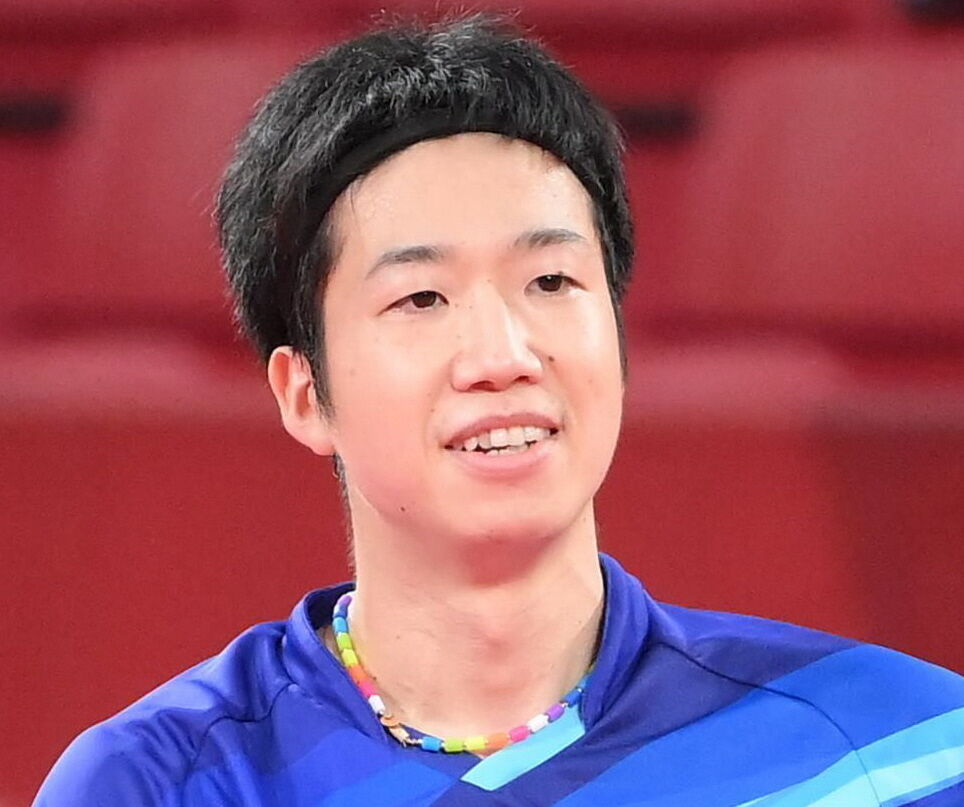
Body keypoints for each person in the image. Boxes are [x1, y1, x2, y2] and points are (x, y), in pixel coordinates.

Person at [34, 14, 964, 807]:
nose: (502, 355)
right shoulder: (162, 782)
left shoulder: (896, 753)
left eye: (551, 281)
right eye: (421, 298)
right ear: (305, 393)